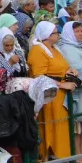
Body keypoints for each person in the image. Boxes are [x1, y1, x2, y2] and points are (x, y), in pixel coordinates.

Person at [29, 20, 78, 161]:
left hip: (60, 97)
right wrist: (62, 85)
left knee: (62, 128)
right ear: (47, 35)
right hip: (50, 97)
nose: (59, 35)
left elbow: (60, 67)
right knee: (51, 128)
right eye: (56, 33)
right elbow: (40, 76)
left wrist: (70, 70)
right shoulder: (38, 50)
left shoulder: (55, 48)